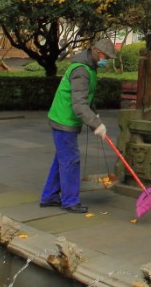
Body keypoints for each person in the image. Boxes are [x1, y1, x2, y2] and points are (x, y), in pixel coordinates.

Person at [39, 46, 108, 212]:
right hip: (64, 119)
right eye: (106, 56)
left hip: (64, 118)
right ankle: (70, 201)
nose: (107, 60)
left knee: (61, 159)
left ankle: (49, 196)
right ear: (97, 52)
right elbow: (78, 104)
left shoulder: (90, 68)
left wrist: (94, 116)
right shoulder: (81, 70)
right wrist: (95, 124)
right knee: (70, 159)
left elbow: (88, 96)